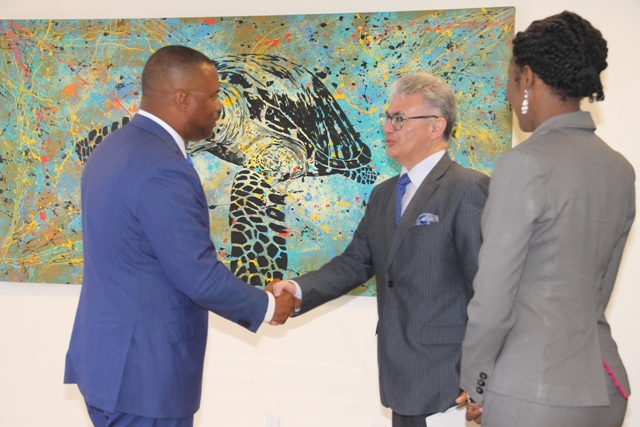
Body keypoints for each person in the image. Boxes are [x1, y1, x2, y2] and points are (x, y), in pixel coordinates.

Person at [64, 45, 300, 427]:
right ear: (183, 99)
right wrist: (269, 307)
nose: (219, 105)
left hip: (106, 362)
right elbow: (198, 275)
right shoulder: (163, 167)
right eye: (212, 96)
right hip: (145, 375)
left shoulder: (112, 149)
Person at [270, 72, 489, 427]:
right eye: (388, 117)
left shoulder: (468, 188)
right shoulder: (385, 194)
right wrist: (296, 289)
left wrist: (483, 375)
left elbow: (487, 290)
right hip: (398, 373)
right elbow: (355, 263)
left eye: (399, 119)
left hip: (450, 380)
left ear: (436, 126)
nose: (388, 126)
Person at [458, 11, 635, 427]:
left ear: (528, 79)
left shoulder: (524, 164)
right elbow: (599, 289)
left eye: (510, 79)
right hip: (604, 388)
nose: (507, 92)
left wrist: (476, 382)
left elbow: (493, 298)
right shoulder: (619, 169)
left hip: (534, 392)